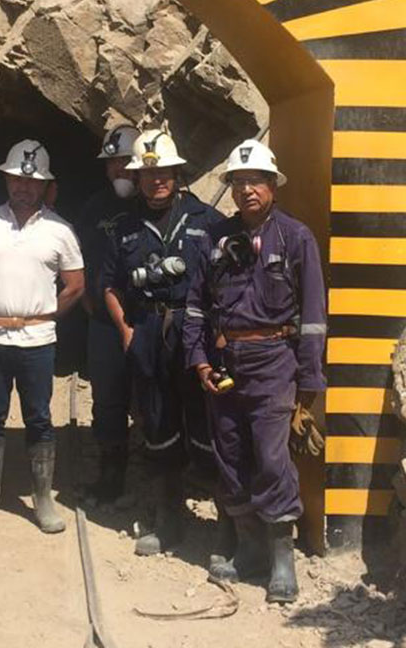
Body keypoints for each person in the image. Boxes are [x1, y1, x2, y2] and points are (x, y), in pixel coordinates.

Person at [183, 139, 326, 603]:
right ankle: (249, 549)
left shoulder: (295, 238)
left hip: (274, 363)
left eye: (255, 181)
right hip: (225, 363)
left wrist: (308, 382)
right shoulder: (215, 239)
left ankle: (282, 559)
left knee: (271, 458)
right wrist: (199, 359)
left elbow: (313, 316)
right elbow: (196, 307)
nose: (246, 190)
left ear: (272, 186)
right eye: (239, 182)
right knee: (230, 454)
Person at [102, 128, 224, 555]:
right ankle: (168, 519)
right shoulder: (124, 227)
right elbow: (111, 285)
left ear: (176, 174)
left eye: (164, 172)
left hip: (196, 331)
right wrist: (127, 332)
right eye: (148, 174)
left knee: (209, 424)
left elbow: (228, 280)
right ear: (137, 178)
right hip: (149, 331)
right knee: (157, 424)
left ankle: (227, 528)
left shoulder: (207, 220)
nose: (157, 180)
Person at [0, 139, 85, 535]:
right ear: (6, 180)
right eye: (17, 179)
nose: (23, 187)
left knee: (39, 417)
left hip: (37, 341)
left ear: (45, 185)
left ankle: (42, 498)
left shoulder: (60, 230)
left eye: (32, 181)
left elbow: (75, 285)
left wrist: (44, 316)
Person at [76, 123, 139, 504]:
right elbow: (77, 254)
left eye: (127, 161)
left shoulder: (155, 202)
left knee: (154, 398)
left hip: (148, 320)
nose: (120, 168)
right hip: (103, 322)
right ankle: (111, 476)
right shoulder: (95, 207)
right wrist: (87, 296)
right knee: (107, 400)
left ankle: (163, 479)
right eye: (113, 162)